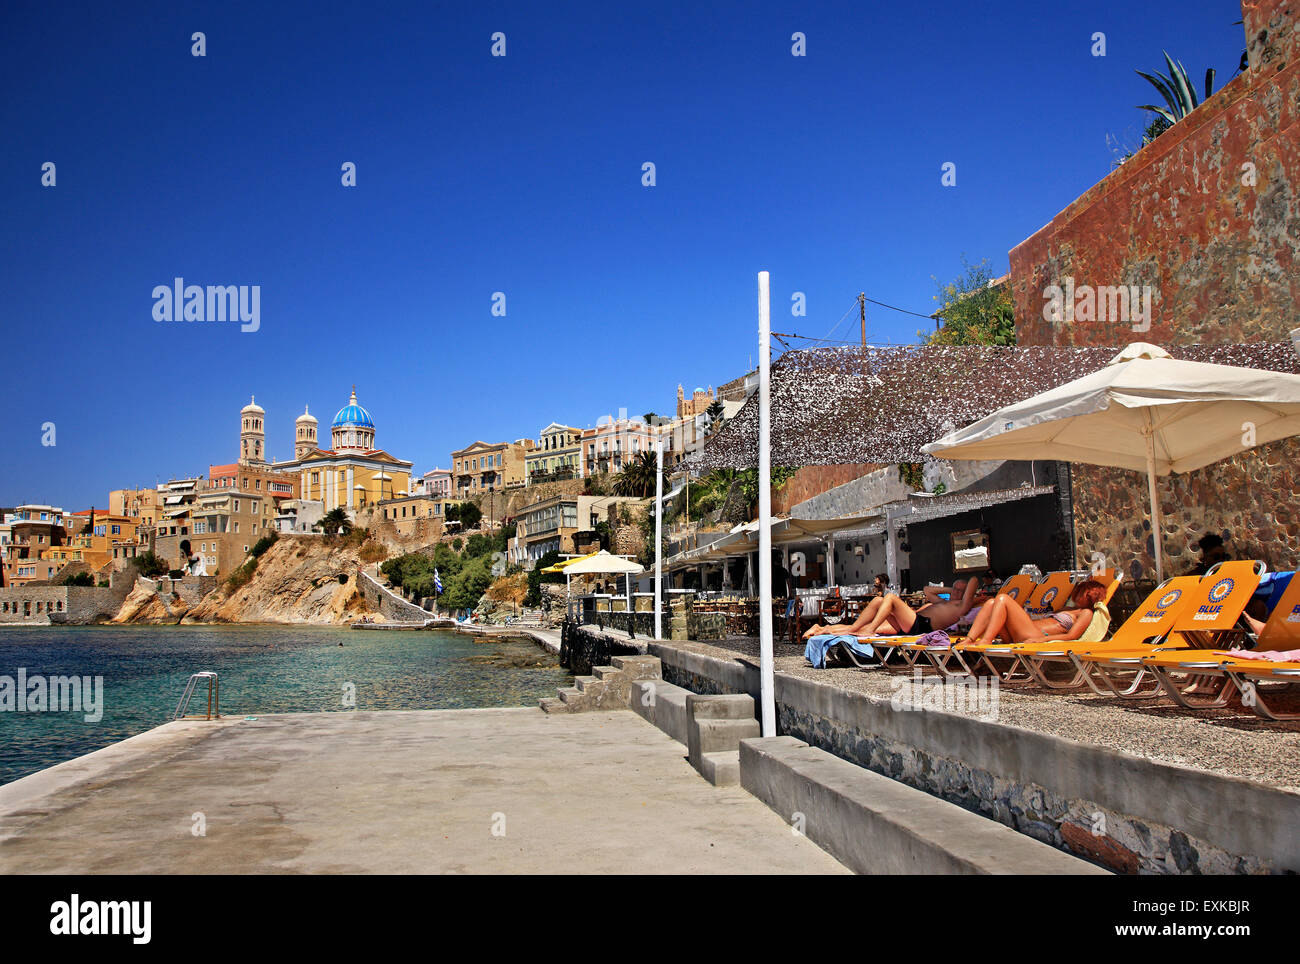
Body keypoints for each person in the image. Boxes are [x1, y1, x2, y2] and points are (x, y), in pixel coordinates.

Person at [803, 577, 982, 639]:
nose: (956, 592)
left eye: (960, 590)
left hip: (920, 625)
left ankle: (870, 630)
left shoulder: (960, 607)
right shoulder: (944, 603)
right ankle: (822, 629)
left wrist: (970, 594)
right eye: (955, 588)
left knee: (890, 598)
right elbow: (928, 590)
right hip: (910, 620)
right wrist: (951, 589)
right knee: (876, 604)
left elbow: (973, 583)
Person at [964, 579, 1107, 646]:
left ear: (1090, 595)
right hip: (1022, 633)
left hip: (1036, 635)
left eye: (1082, 592)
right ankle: (969, 639)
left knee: (1002, 599)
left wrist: (1041, 640)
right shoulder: (1069, 609)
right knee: (990, 603)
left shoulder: (1086, 613)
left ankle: (987, 640)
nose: (1077, 595)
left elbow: (1072, 636)